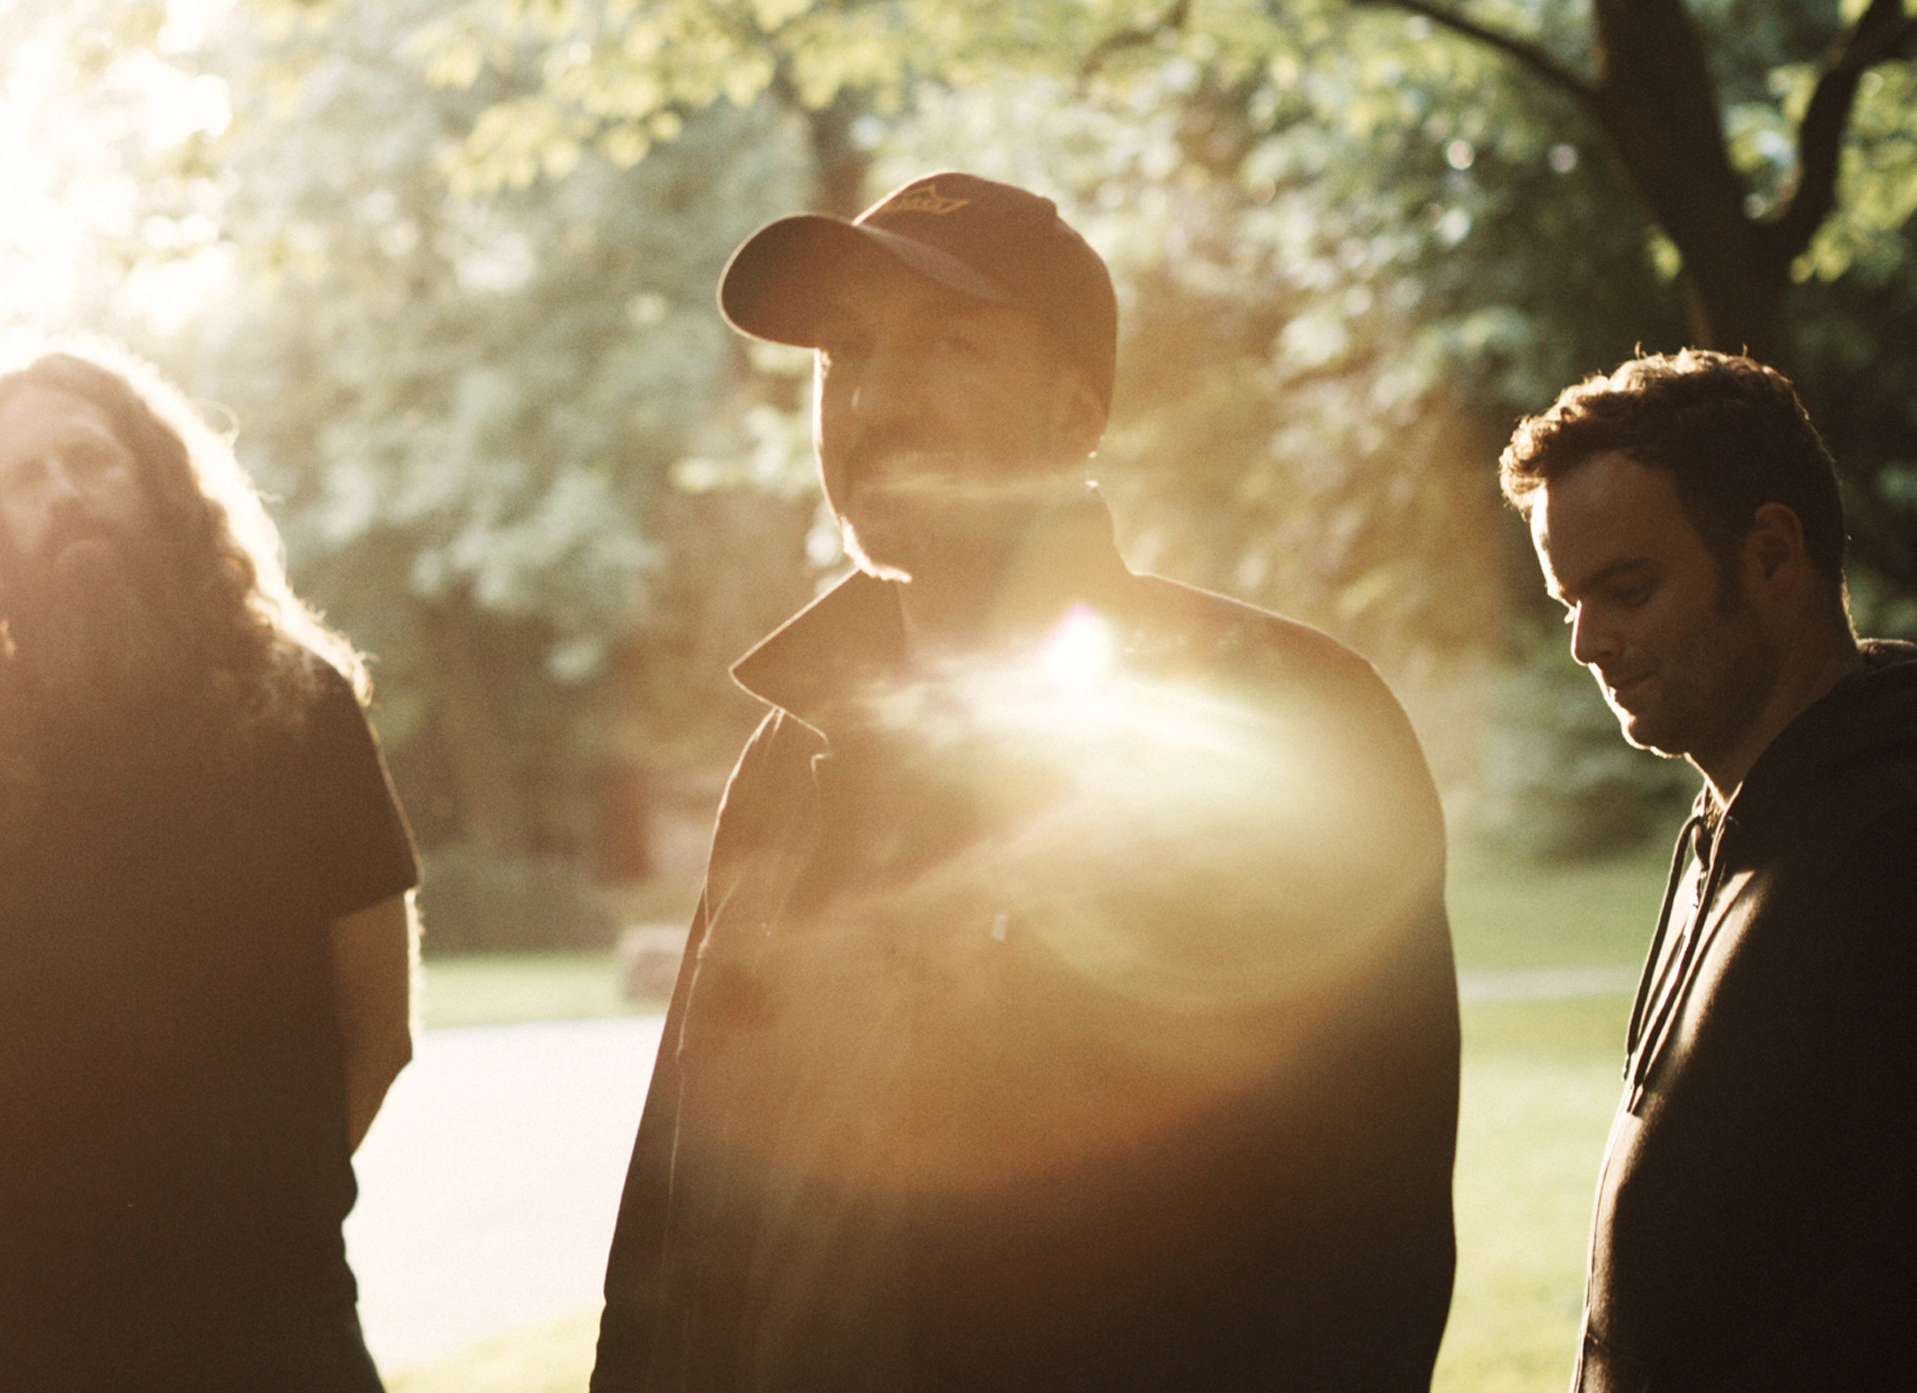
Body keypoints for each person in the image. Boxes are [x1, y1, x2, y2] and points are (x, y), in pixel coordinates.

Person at [592, 172, 1461, 1393]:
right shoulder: (788, 758)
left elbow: (1365, 1255)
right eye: (846, 353)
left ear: (1073, 414)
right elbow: (677, 1209)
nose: (877, 399)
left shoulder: (1283, 719)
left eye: (947, 345)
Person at [0, 345, 422, 1392]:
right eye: (27, 479)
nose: (63, 493)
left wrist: (270, 1202)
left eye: (89, 459)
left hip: (274, 1297)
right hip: (29, 1317)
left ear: (155, 483)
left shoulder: (305, 711)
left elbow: (378, 1028)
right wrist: (50, 1220)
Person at [1503, 350, 1917, 1392]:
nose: (1586, 641)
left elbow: (1913, 1296)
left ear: (1770, 552)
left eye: (1626, 589)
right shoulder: (1729, 824)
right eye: (1566, 599)